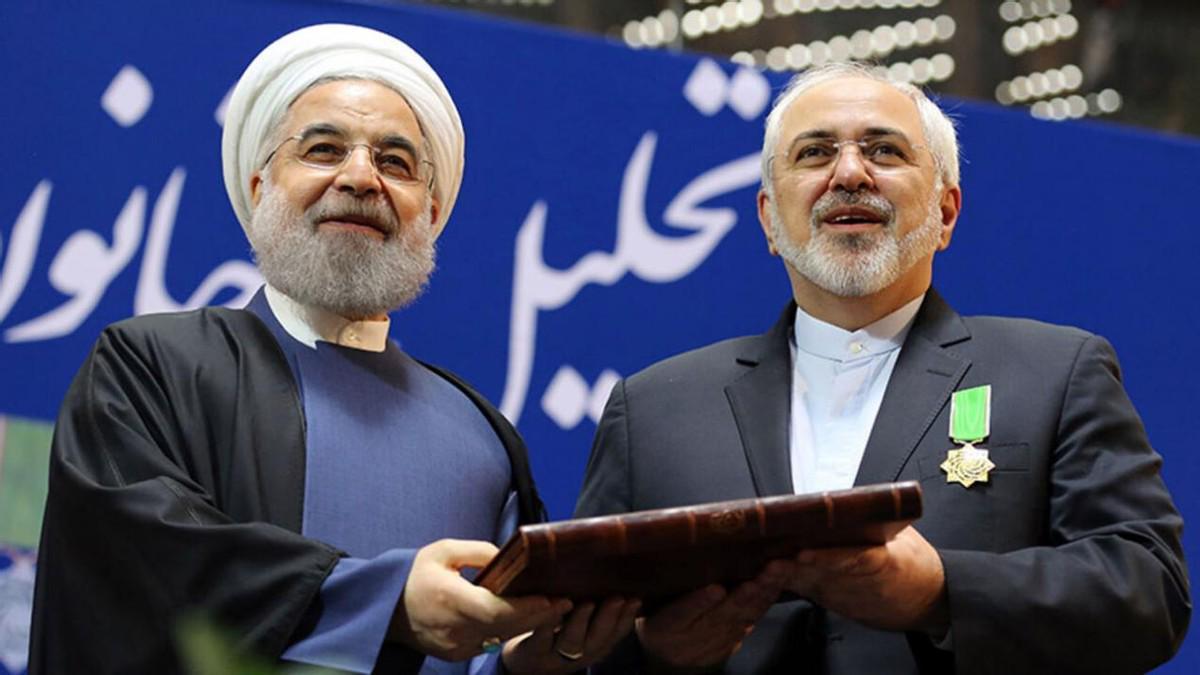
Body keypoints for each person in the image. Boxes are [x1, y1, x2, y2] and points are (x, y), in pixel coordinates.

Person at [30, 23, 637, 675]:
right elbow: (146, 570)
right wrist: (384, 602)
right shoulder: (152, 367)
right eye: (323, 150)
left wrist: (529, 662)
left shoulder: (482, 435)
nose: (360, 178)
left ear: (431, 214)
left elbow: (487, 652)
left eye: (396, 163)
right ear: (260, 188)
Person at [575, 62, 1190, 674]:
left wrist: (942, 592)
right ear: (768, 219)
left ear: (946, 213)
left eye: (884, 151)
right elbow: (574, 635)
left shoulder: (1056, 372)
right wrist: (654, 652)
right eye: (815, 153)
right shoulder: (652, 409)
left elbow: (1149, 590)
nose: (849, 173)